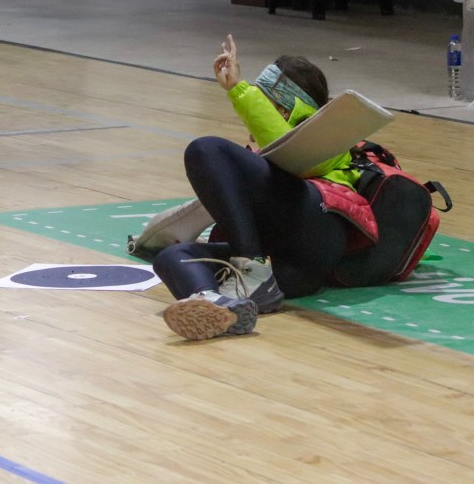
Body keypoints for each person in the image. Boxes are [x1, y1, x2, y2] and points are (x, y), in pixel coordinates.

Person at [153, 34, 376, 341]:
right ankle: (218, 305)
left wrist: (239, 89)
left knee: (205, 149)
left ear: (283, 107)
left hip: (319, 233)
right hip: (285, 270)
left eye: (264, 97)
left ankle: (251, 267)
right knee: (173, 256)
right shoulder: (262, 158)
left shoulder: (331, 139)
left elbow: (294, 156)